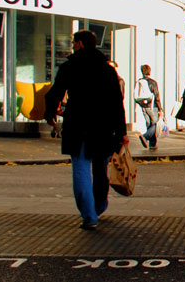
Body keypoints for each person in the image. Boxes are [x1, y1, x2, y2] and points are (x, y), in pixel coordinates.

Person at [43, 30, 127, 230]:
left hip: (78, 124)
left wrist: (50, 113)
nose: (72, 45)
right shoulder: (108, 70)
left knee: (80, 170)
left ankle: (89, 216)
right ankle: (99, 205)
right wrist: (121, 131)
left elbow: (55, 92)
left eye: (74, 42)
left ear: (80, 44)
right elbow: (117, 102)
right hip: (103, 127)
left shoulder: (69, 66)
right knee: (100, 169)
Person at [134, 64, 163, 149]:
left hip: (143, 106)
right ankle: (145, 137)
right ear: (149, 71)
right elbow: (157, 96)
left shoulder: (139, 81)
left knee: (149, 124)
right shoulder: (153, 82)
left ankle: (152, 144)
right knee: (156, 123)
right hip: (152, 105)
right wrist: (160, 108)